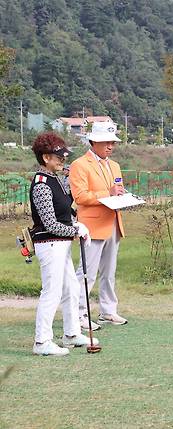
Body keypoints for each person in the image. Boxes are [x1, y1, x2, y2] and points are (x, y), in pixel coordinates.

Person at [29, 132, 98, 355]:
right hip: (49, 244)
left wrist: (75, 225)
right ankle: (41, 342)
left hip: (61, 243)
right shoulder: (41, 184)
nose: (62, 160)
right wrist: (75, 230)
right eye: (58, 157)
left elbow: (64, 212)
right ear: (45, 158)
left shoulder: (55, 179)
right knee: (52, 291)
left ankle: (70, 333)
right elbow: (49, 223)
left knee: (72, 287)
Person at [69, 121, 127, 331]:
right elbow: (80, 196)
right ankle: (78, 313)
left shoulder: (114, 165)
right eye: (106, 142)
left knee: (109, 272)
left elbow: (117, 189)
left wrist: (124, 197)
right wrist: (107, 194)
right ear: (93, 141)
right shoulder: (79, 165)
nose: (110, 146)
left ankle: (108, 310)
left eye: (112, 142)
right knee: (87, 272)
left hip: (113, 222)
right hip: (91, 226)